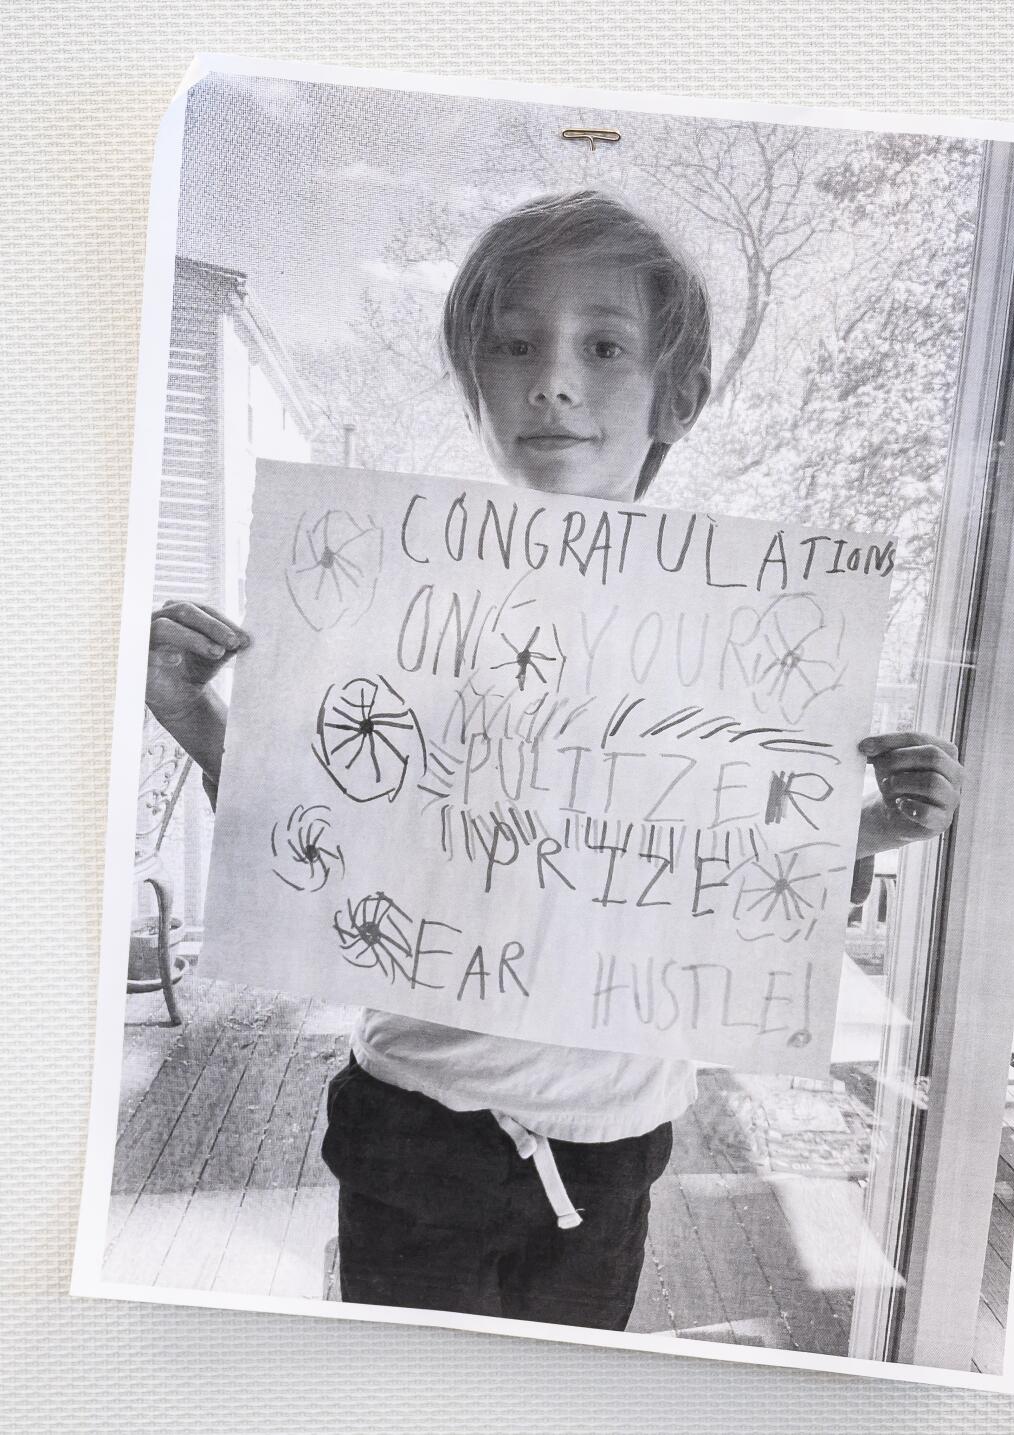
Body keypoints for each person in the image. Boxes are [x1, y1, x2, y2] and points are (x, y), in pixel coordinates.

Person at [145, 190, 964, 1330]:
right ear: (474, 385)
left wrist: (872, 821)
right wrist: (198, 720)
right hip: (418, 1118)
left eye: (605, 346)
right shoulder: (402, 599)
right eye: (514, 344)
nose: (555, 379)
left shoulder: (734, 631)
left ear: (677, 393)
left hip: (617, 1136)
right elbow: (320, 834)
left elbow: (721, 845)